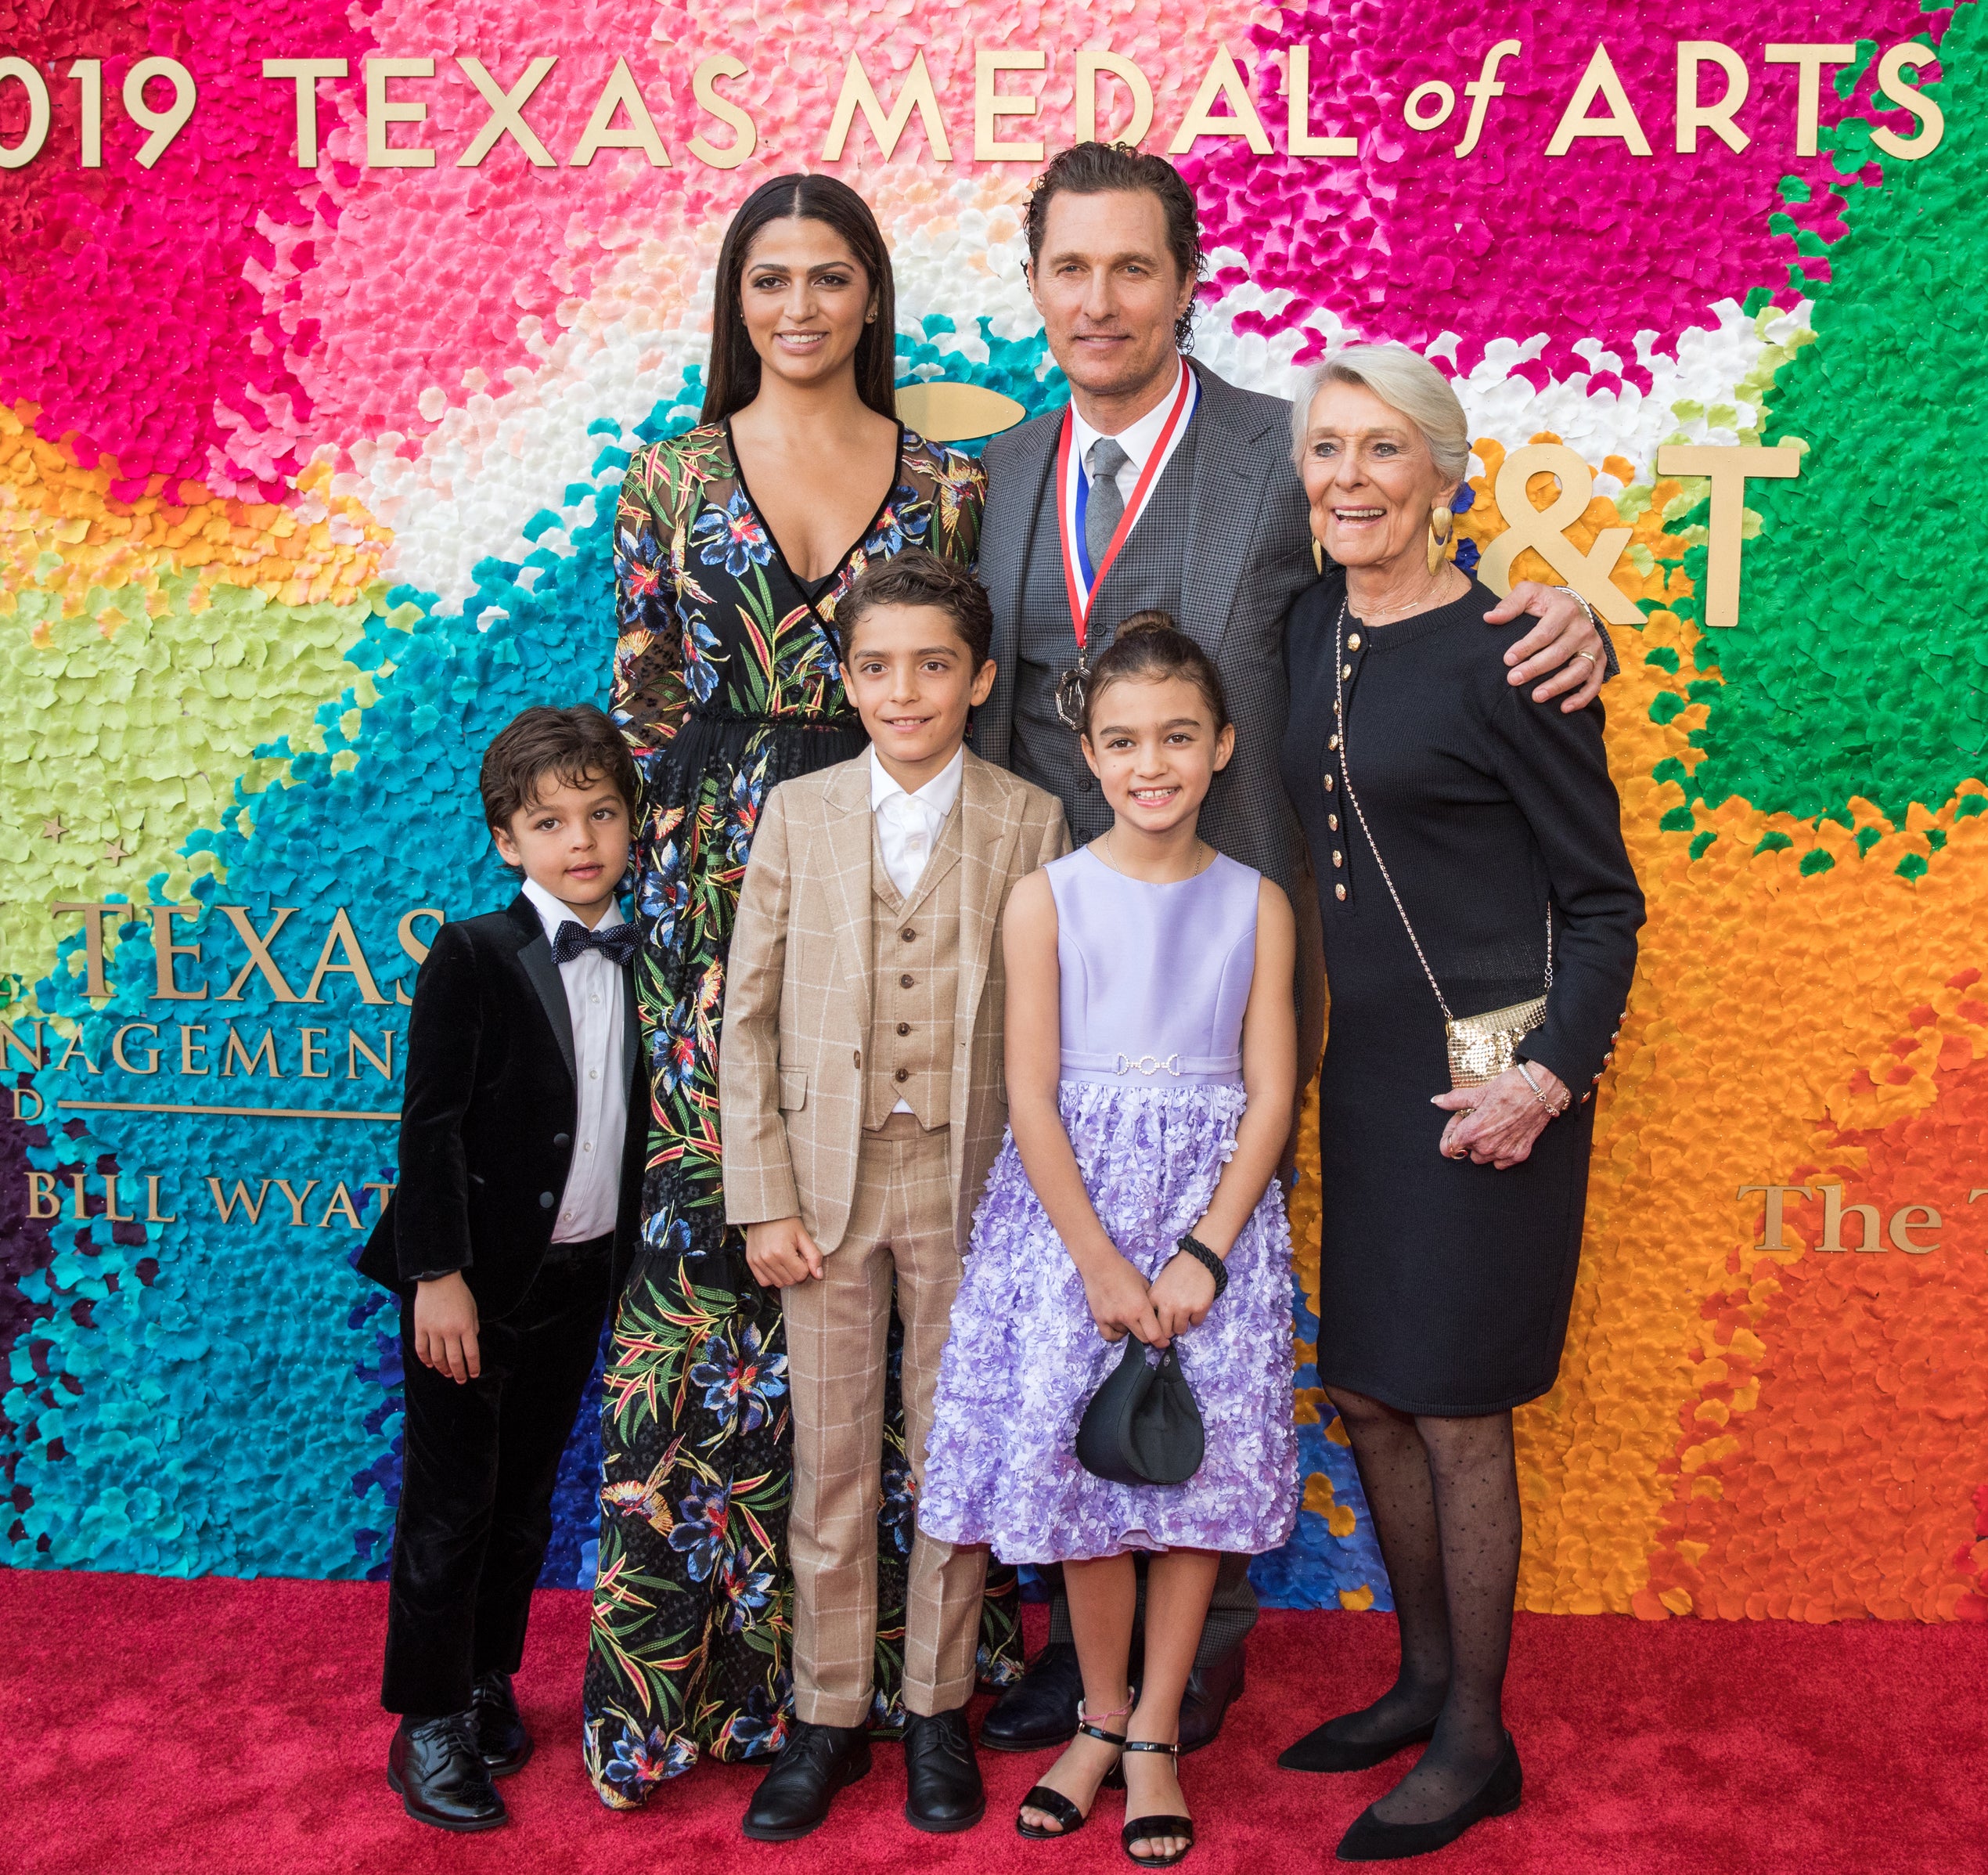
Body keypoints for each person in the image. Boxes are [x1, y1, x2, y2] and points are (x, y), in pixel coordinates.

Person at [972, 139, 1616, 1758]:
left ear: (1190, 282)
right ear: (1035, 282)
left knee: (1251, 1303)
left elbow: (1423, 596)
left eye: (1135, 267)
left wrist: (1569, 613)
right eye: (1071, 267)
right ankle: (1087, 1645)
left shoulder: (1284, 451)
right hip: (1068, 967)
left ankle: (1215, 1659)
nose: (1100, 298)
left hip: (1259, 990)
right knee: (1091, 1299)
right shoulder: (987, 474)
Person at [583, 176, 1023, 1805]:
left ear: (871, 295)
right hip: (711, 912)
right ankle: (709, 1687)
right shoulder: (666, 480)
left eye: (829, 277)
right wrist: (643, 922)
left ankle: (920, 1688)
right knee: (726, 1267)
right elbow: (637, 708)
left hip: (903, 878)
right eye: (768, 278)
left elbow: (982, 697)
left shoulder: (951, 484)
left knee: (916, 1295)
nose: (798, 306)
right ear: (734, 296)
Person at [1275, 345, 1643, 1861]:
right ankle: (1419, 1680)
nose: (1349, 479)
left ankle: (1479, 1735)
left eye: (1381, 451)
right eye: (1325, 451)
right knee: (1365, 1388)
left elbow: (1602, 902)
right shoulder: (1304, 624)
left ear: (1443, 471)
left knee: (1456, 1407)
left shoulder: (1514, 648)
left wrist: (1548, 1076)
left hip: (1498, 1070)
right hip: (1357, 1070)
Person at [922, 614, 1298, 1867]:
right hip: (1071, 1224)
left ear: (1222, 747)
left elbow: (1271, 1097)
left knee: (1187, 1487)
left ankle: (1154, 1739)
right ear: (1089, 753)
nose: (1154, 764)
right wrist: (1096, 1259)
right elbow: (1030, 1095)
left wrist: (1204, 1252)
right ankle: (1092, 1716)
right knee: (1088, 1481)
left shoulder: (1259, 906)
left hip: (1208, 1227)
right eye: (1126, 741)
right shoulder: (1047, 900)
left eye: (1179, 738)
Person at [718, 550, 1071, 1840]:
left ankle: (933, 1712)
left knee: (951, 1458)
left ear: (978, 679)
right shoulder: (798, 815)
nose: (905, 690)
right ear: (847, 680)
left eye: (933, 666)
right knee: (829, 1466)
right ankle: (824, 1718)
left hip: (968, 1190)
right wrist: (762, 1196)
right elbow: (744, 1020)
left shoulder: (1031, 820)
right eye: (878, 667)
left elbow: (1054, 1028)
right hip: (821, 1189)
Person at [358, 704, 646, 1833]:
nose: (580, 841)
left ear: (630, 826)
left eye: (601, 814)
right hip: (468, 1288)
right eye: (550, 821)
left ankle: (486, 1679)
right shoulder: (474, 953)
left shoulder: (649, 956)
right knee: (452, 1508)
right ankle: (425, 1720)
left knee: (525, 1504)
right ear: (506, 842)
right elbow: (427, 1125)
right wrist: (438, 1275)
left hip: (577, 1280)